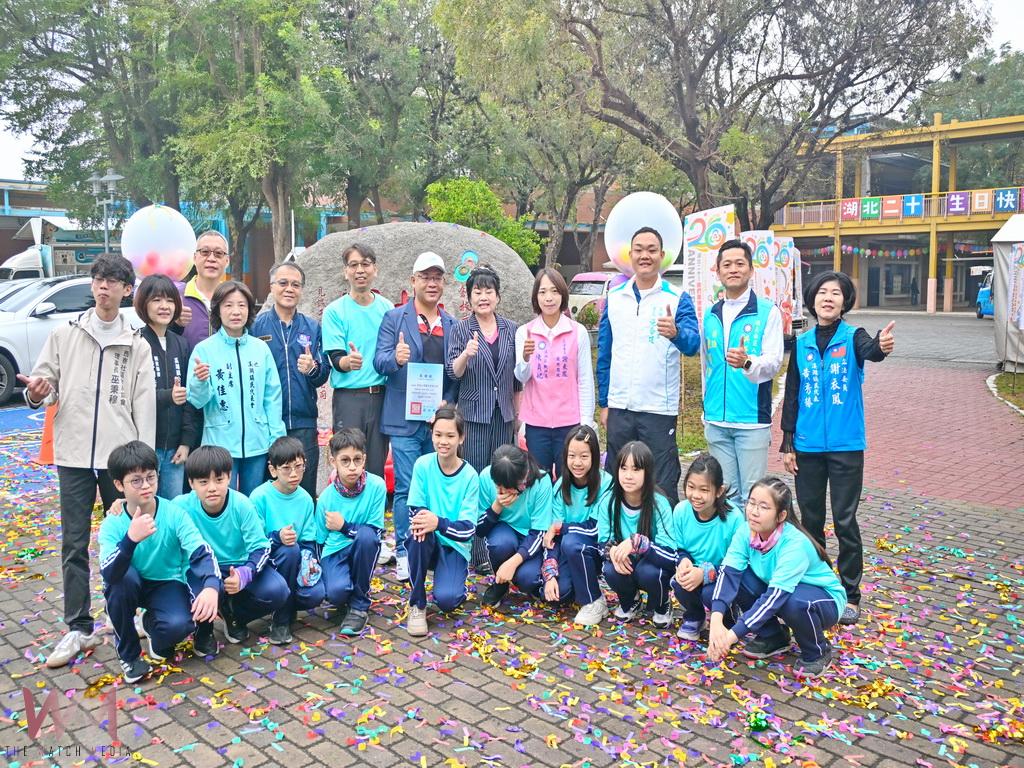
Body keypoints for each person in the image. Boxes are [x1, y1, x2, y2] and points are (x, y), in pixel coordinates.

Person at [19, 253, 156, 669]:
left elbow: (144, 404)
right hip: (74, 455)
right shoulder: (65, 334)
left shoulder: (136, 343)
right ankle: (78, 626)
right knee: (74, 543)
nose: (104, 287)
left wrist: (143, 464)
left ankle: (131, 613)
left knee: (132, 536)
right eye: (98, 279)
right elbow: (44, 385)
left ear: (126, 290)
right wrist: (38, 392)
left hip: (119, 461)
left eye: (113, 281)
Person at [780, 271, 895, 626]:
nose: (828, 298)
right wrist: (787, 442)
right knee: (811, 521)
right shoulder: (801, 343)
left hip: (846, 447)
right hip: (807, 446)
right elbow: (792, 394)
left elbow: (872, 351)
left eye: (836, 293)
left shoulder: (853, 336)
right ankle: (819, 585)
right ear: (812, 300)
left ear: (845, 302)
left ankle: (850, 593)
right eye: (822, 292)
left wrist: (880, 345)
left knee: (845, 521)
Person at [98, 441, 220, 681]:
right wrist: (130, 540)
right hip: (129, 583)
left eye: (150, 477)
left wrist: (211, 587)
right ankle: (130, 656)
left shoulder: (174, 513)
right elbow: (108, 572)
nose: (145, 485)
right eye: (136, 480)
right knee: (120, 581)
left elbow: (200, 550)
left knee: (179, 625)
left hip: (165, 582)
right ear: (119, 485)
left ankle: (149, 623)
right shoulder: (113, 522)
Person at [597, 227, 700, 507]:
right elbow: (604, 354)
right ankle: (616, 530)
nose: (645, 255)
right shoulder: (615, 297)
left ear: (662, 255)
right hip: (620, 406)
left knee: (661, 481)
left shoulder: (677, 298)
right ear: (630, 255)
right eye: (639, 249)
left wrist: (676, 333)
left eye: (652, 250)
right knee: (618, 478)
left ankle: (661, 532)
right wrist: (604, 402)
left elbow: (693, 344)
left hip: (658, 409)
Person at [374, 251, 460, 582]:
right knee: (407, 487)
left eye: (437, 277)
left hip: (437, 422)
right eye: (425, 277)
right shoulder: (394, 318)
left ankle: (429, 549)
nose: (431, 283)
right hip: (403, 421)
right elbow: (379, 362)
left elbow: (454, 374)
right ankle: (404, 551)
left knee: (433, 486)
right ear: (413, 281)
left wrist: (447, 403)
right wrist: (395, 358)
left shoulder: (451, 324)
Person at [707, 477, 846, 677]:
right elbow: (728, 573)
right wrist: (716, 621)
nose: (754, 512)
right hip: (782, 591)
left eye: (764, 507)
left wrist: (730, 637)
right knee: (741, 577)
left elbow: (775, 597)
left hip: (823, 600)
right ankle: (773, 636)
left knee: (794, 602)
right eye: (751, 503)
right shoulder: (746, 531)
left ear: (781, 515)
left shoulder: (794, 544)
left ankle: (817, 652)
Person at [175, 446, 289, 650]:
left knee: (278, 590)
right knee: (197, 593)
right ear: (191, 483)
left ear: (229, 477)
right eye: (203, 482)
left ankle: (233, 613)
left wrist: (245, 573)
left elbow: (261, 547)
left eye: (219, 479)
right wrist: (123, 504)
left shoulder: (242, 505)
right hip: (201, 570)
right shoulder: (180, 507)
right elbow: (156, 512)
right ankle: (204, 630)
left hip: (236, 566)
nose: (212, 488)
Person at [446, 266, 520, 573]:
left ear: (498, 296)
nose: (483, 296)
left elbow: (517, 378)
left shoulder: (512, 329)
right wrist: (466, 354)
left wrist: (518, 417)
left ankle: (498, 547)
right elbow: (453, 372)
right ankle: (477, 552)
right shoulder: (461, 329)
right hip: (474, 416)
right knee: (477, 480)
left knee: (500, 478)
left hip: (504, 415)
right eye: (477, 291)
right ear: (469, 297)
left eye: (489, 291)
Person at [701, 240, 783, 503]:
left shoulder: (767, 312)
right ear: (718, 271)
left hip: (751, 420)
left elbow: (774, 362)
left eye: (740, 264)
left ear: (751, 270)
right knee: (725, 495)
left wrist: (748, 362)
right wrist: (706, 410)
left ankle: (753, 534)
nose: (733, 269)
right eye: (727, 264)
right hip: (716, 420)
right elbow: (705, 366)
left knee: (753, 496)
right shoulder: (710, 314)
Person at [187, 280, 286, 495]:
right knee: (222, 500)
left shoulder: (261, 349)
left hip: (258, 442)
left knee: (254, 499)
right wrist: (200, 381)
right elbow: (197, 401)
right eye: (228, 305)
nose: (236, 311)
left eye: (242, 305)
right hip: (219, 444)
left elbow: (272, 396)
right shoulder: (204, 350)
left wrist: (277, 438)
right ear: (218, 310)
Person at [252, 262, 330, 498]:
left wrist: (312, 369)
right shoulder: (256, 327)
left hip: (303, 423)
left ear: (302, 290)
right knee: (268, 489)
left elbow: (323, 373)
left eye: (295, 285)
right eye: (283, 283)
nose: (289, 289)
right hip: (266, 423)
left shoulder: (312, 327)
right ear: (271, 287)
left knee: (304, 490)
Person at [405, 406, 480, 637]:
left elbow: (468, 529)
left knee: (448, 601)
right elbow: (415, 510)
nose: (443, 441)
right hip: (427, 540)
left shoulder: (470, 476)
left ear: (461, 438)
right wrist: (428, 523)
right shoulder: (423, 465)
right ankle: (417, 603)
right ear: (432, 435)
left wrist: (438, 523)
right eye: (438, 435)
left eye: (450, 435)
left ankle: (453, 579)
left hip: (454, 545)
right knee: (418, 532)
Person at [322, 244, 394, 480]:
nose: (360, 270)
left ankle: (374, 505)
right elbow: (335, 358)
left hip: (381, 397)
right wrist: (347, 361)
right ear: (346, 272)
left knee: (376, 465)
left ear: (375, 269)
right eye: (353, 265)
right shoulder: (334, 311)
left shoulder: (387, 309)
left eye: (365, 264)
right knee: (348, 463)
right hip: (349, 398)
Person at [515, 268, 595, 477]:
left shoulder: (578, 332)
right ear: (536, 296)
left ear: (562, 295)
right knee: (539, 480)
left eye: (554, 291)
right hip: (536, 424)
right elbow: (521, 377)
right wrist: (525, 357)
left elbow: (585, 380)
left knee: (567, 479)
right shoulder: (525, 332)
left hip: (569, 423)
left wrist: (586, 423)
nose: (548, 298)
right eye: (542, 292)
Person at [249, 436, 326, 645]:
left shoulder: (305, 499)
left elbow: (308, 540)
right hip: (265, 563)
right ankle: (281, 621)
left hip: (294, 562)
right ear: (272, 470)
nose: (294, 474)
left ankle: (287, 606)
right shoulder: (259, 497)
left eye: (299, 467)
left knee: (316, 594)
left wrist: (309, 562)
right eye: (286, 468)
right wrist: (277, 537)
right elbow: (253, 543)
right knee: (289, 550)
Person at [134, 275, 202, 500]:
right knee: (144, 507)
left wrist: (186, 442)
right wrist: (167, 396)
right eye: (156, 300)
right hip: (145, 446)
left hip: (175, 449)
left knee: (172, 508)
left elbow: (190, 396)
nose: (164, 306)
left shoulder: (181, 344)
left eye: (170, 300)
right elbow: (132, 397)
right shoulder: (135, 342)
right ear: (143, 304)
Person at [315, 428, 386, 636]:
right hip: (335, 551)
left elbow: (374, 532)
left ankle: (359, 605)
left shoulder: (377, 486)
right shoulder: (326, 498)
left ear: (364, 459)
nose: (352, 467)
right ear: (333, 461)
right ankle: (345, 589)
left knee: (367, 538)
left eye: (357, 460)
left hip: (361, 547)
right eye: (345, 461)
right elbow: (319, 541)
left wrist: (344, 526)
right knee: (336, 593)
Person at [599, 441, 677, 627]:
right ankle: (630, 600)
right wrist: (612, 552)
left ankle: (662, 604)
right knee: (610, 569)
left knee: (649, 572)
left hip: (652, 562)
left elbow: (671, 555)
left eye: (636, 469)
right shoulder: (609, 501)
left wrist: (639, 543)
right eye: (623, 468)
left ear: (647, 472)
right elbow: (602, 543)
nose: (628, 475)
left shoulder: (660, 504)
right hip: (628, 563)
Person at [669, 454, 743, 641]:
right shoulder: (681, 511)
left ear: (719, 491)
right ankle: (695, 617)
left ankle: (728, 621)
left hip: (724, 575)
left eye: (704, 489)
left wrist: (706, 573)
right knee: (680, 582)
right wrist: (683, 561)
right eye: (691, 487)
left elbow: (738, 564)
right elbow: (680, 548)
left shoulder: (734, 518)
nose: (696, 495)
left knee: (711, 593)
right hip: (693, 572)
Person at [543, 426, 612, 626]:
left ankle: (594, 601)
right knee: (560, 593)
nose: (577, 462)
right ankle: (579, 586)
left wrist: (563, 528)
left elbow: (597, 528)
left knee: (572, 542)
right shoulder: (560, 486)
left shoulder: (606, 483)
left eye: (584, 456)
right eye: (572, 456)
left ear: (595, 456)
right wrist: (550, 573)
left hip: (598, 549)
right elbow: (552, 535)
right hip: (570, 550)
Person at [475, 444, 555, 608]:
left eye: (510, 487)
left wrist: (512, 563)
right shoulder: (485, 477)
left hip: (531, 538)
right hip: (504, 532)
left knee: (528, 578)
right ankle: (500, 585)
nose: (504, 491)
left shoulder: (541, 481)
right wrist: (497, 506)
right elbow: (480, 530)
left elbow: (539, 532)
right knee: (500, 544)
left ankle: (529, 583)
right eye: (499, 487)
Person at [177, 230, 230, 348]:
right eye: (205, 252)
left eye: (218, 253)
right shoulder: (176, 296)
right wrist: (174, 324)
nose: (211, 258)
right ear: (194, 258)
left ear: (227, 261)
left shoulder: (234, 298)